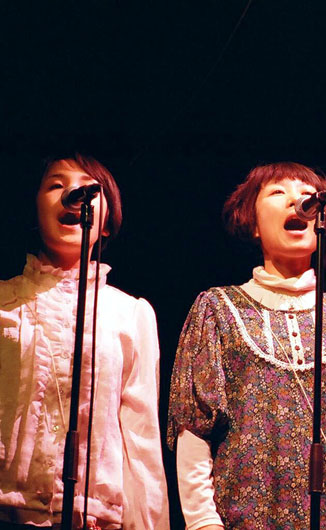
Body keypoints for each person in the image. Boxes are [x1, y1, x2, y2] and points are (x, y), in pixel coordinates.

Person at [167, 162, 326, 530]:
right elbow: (195, 427)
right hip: (244, 516)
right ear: (254, 224)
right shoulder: (218, 309)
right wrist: (203, 522)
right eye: (277, 192)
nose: (296, 201)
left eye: (306, 195)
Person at [0, 153, 169, 528]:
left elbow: (141, 437)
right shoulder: (4, 302)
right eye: (56, 185)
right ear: (35, 210)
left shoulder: (129, 314)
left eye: (88, 188)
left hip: (93, 519)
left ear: (106, 223)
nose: (73, 193)